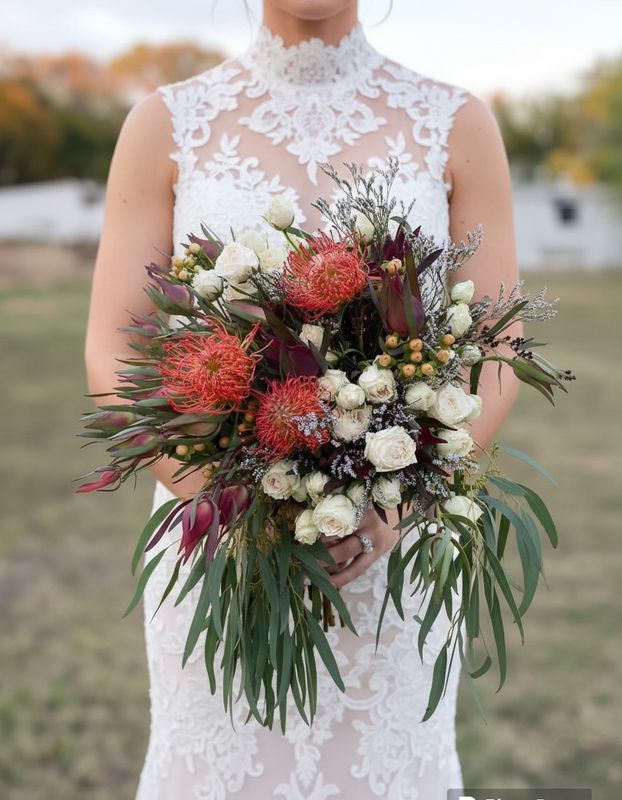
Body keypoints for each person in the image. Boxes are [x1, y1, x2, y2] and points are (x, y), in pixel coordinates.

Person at [85, 1, 520, 797]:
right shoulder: (164, 124)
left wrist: (399, 503)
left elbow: (500, 348)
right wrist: (229, 504)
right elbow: (115, 347)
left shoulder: (455, 123)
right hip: (227, 549)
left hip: (396, 545)